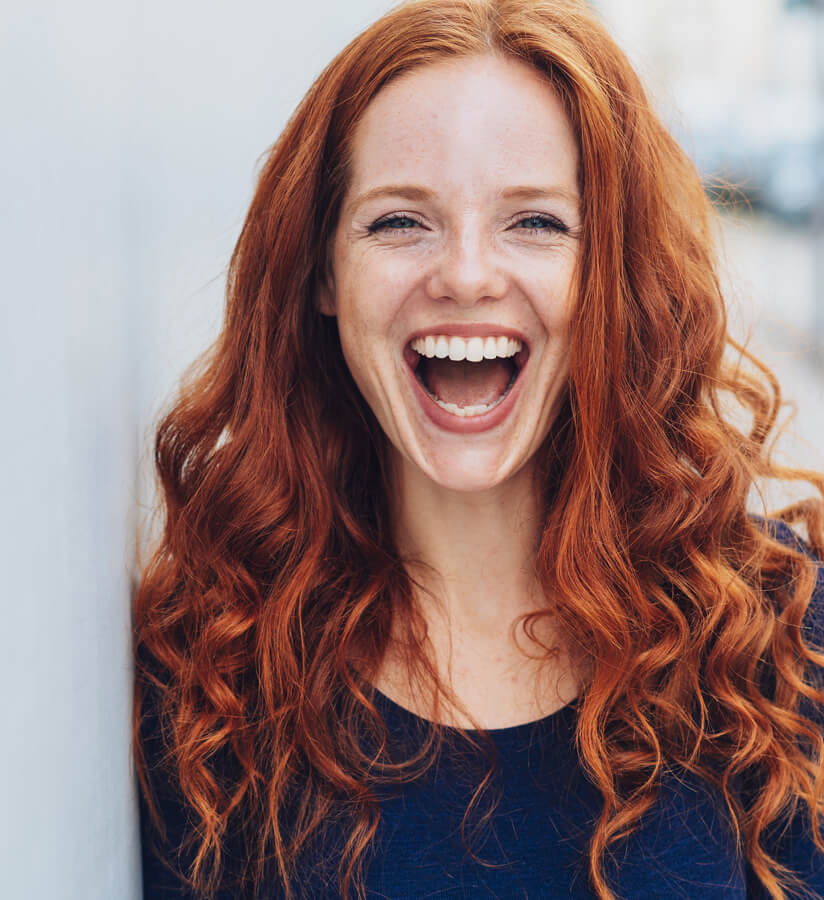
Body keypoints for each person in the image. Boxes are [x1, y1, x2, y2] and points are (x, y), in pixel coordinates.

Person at [134, 0, 824, 897]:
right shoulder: (209, 680)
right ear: (321, 272)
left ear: (612, 276)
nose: (465, 275)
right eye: (399, 222)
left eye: (535, 222)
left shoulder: (782, 639)